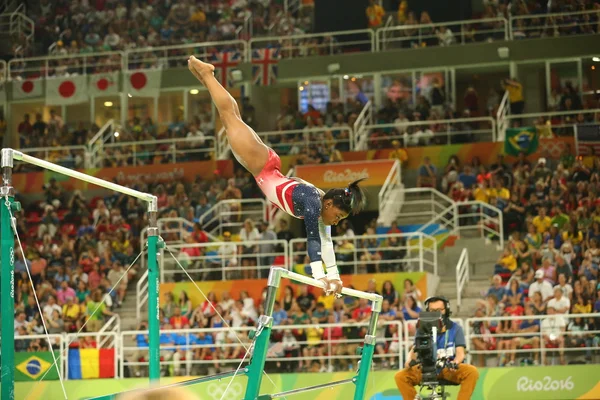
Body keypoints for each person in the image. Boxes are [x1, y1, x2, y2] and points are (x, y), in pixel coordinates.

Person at [188, 56, 366, 296]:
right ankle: (207, 74)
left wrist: (335, 278)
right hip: (262, 166)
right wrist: (320, 277)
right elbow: (312, 241)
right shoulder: (314, 203)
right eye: (338, 216)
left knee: (232, 117)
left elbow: (326, 242)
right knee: (229, 117)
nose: (337, 222)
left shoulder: (319, 202)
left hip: (266, 166)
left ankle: (206, 76)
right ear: (330, 203)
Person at [395, 296, 479, 400]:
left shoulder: (456, 328)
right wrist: (409, 360)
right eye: (432, 311)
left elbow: (460, 353)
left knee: (472, 372)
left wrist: (455, 363)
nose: (436, 314)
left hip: (447, 368)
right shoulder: (422, 328)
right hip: (424, 368)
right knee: (400, 377)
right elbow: (414, 349)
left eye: (439, 310)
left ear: (446, 310)